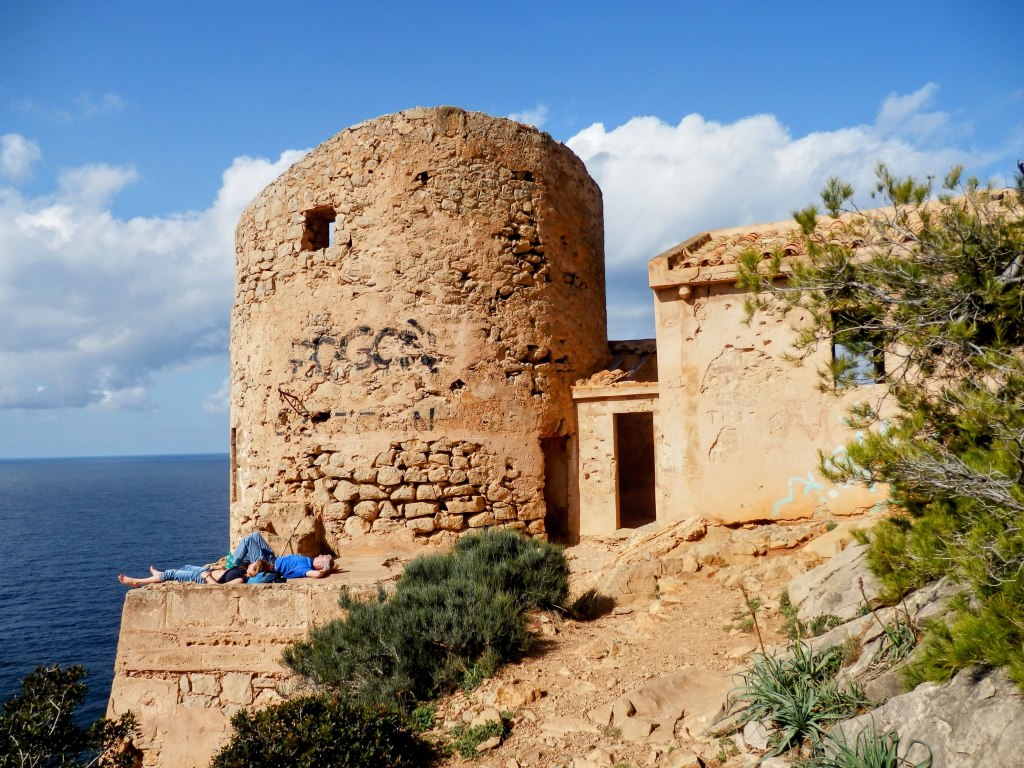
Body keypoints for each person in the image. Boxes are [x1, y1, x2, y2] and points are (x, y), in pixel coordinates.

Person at [231, 531, 334, 580]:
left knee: (248, 541)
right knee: (255, 535)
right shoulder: (309, 561)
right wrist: (332, 566)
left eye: (322, 557)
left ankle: (230, 566)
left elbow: (317, 575)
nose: (320, 555)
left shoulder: (305, 568)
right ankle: (242, 562)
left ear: (320, 565)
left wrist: (326, 569)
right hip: (272, 558)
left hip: (266, 565)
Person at [118, 560, 272, 588]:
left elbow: (219, 589)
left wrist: (207, 577)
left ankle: (137, 582)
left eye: (255, 566)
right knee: (185, 566)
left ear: (254, 572)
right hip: (206, 571)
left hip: (203, 578)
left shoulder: (240, 580)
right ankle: (158, 575)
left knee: (173, 574)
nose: (252, 564)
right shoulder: (241, 570)